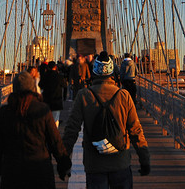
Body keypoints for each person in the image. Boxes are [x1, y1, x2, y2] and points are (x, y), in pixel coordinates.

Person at [63, 51, 150, 188]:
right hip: (120, 163)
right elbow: (135, 130)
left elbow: (71, 130)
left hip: (94, 165)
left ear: (94, 73)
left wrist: (64, 160)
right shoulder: (124, 96)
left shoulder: (84, 95)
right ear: (112, 73)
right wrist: (144, 160)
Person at [0, 71, 71, 188]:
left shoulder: (4, 112)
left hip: (12, 174)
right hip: (40, 171)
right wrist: (64, 165)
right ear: (32, 87)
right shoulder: (42, 109)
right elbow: (55, 141)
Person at [39, 61, 64, 126]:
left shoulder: (45, 76)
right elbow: (64, 85)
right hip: (56, 100)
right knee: (55, 119)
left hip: (47, 100)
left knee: (46, 119)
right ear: (55, 67)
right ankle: (54, 132)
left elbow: (40, 85)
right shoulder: (59, 76)